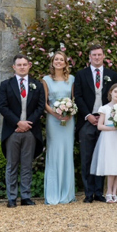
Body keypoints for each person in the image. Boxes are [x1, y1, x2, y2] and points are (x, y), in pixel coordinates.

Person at [0, 54, 45, 208]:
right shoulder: (6, 85)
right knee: (12, 165)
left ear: (29, 66)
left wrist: (27, 124)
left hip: (30, 130)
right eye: (19, 65)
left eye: (25, 64)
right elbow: (3, 107)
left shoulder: (37, 85)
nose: (22, 67)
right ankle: (11, 197)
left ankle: (25, 196)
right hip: (12, 130)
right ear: (14, 67)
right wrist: (18, 123)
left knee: (26, 165)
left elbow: (40, 106)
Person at [74, 44, 117, 203]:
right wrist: (87, 115)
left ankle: (99, 192)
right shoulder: (81, 74)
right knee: (87, 158)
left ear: (103, 56)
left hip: (105, 121)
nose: (97, 57)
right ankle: (88, 193)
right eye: (94, 55)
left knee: (103, 157)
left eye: (99, 54)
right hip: (87, 120)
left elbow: (115, 97)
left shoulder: (112, 75)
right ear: (89, 57)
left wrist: (106, 117)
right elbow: (77, 96)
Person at [90, 84, 117, 203]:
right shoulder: (104, 108)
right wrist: (113, 128)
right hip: (109, 138)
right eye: (115, 92)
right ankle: (108, 192)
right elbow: (100, 126)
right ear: (110, 92)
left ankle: (115, 193)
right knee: (111, 165)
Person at [42, 52, 76, 205]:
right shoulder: (46, 80)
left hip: (68, 121)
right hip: (53, 121)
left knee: (67, 153)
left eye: (61, 59)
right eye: (56, 59)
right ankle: (53, 193)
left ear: (65, 63)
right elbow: (44, 102)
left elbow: (74, 100)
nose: (58, 62)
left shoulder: (72, 79)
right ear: (52, 62)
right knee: (54, 153)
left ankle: (66, 193)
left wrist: (70, 112)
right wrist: (55, 114)